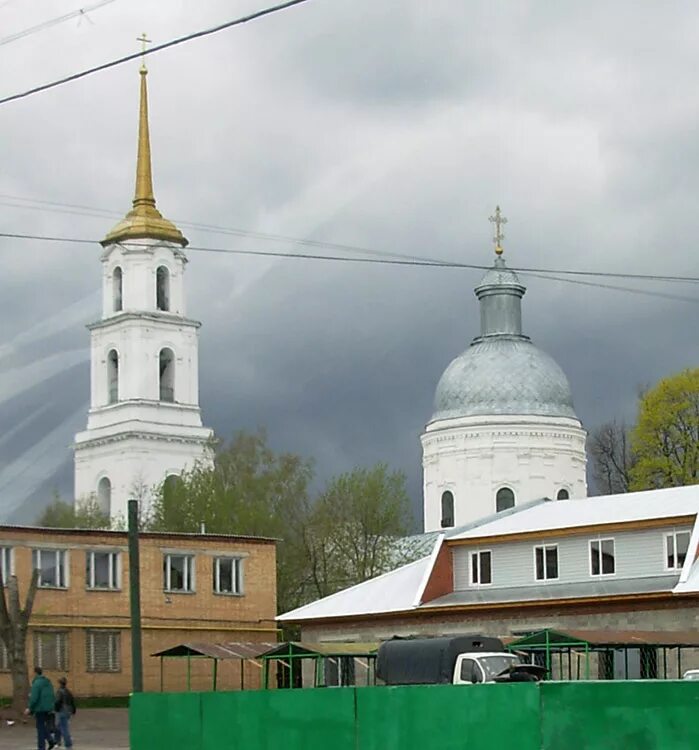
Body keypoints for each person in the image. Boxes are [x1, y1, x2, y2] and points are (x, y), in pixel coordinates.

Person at [25, 666, 56, 750]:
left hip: (39, 708)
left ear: (35, 673)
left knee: (40, 728)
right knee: (41, 726)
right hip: (48, 708)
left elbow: (34, 698)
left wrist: (29, 708)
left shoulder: (36, 683)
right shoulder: (48, 682)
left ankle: (41, 747)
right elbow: (52, 695)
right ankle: (50, 740)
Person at [54, 676, 76, 748]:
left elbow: (57, 702)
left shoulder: (59, 691)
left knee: (63, 728)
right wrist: (73, 711)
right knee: (58, 726)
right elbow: (72, 702)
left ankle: (68, 745)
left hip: (61, 711)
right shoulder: (68, 691)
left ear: (60, 683)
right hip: (68, 711)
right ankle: (57, 741)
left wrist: (56, 709)